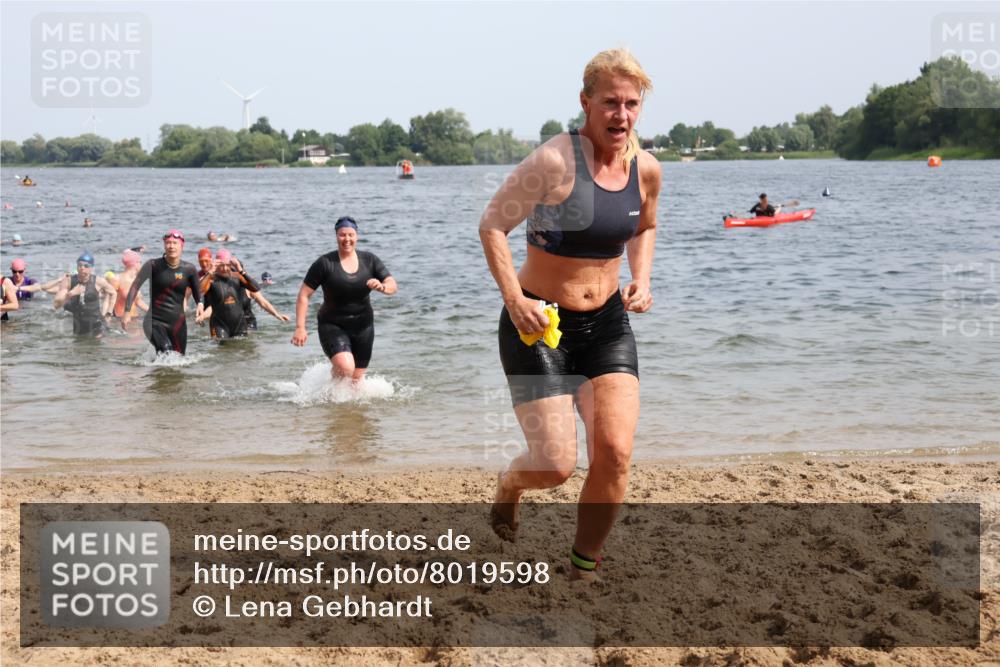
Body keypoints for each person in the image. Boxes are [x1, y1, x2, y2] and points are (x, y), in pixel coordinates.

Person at [479, 48, 660, 580]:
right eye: (609, 102)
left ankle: (584, 565)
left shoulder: (645, 170)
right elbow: (492, 225)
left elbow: (645, 226)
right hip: (539, 327)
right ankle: (510, 486)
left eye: (631, 104)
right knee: (555, 466)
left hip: (605, 325)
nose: (620, 115)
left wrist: (641, 280)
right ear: (586, 102)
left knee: (615, 454)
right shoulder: (555, 161)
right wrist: (515, 299)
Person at [291, 216, 397, 382]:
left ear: (356, 236)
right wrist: (300, 327)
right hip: (333, 324)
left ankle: (338, 406)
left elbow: (392, 285)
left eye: (350, 235)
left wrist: (382, 287)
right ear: (336, 236)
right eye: (342, 235)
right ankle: (329, 390)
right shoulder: (325, 263)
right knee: (345, 366)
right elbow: (304, 294)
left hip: (364, 326)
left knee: (356, 380)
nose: (347, 239)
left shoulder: (369, 260)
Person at [123, 229, 204, 355]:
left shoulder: (189, 269)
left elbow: (197, 290)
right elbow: (135, 286)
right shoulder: (153, 265)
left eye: (175, 243)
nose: (171, 246)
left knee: (179, 359)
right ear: (164, 245)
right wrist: (127, 311)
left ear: (182, 246)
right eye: (168, 243)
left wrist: (200, 304)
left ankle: (154, 372)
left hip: (178, 323)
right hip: (154, 321)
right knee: (166, 351)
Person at [195, 248, 260, 340]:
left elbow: (256, 288)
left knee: (242, 351)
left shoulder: (237, 277)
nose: (225, 269)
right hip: (219, 325)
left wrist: (241, 271)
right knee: (222, 349)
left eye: (227, 265)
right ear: (216, 264)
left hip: (239, 325)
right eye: (221, 265)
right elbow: (199, 291)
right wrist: (210, 272)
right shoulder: (211, 279)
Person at [53, 252, 117, 337]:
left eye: (86, 266)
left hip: (97, 325)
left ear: (91, 268)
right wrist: (70, 294)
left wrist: (109, 313)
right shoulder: (68, 281)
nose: (82, 268)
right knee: (79, 348)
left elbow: (113, 293)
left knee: (96, 347)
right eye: (80, 265)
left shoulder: (98, 281)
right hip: (79, 327)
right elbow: (56, 305)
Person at [110, 250, 148, 324]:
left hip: (135, 319)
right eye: (140, 262)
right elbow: (108, 300)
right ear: (135, 263)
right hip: (118, 320)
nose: (141, 265)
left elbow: (138, 301)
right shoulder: (117, 279)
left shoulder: (136, 281)